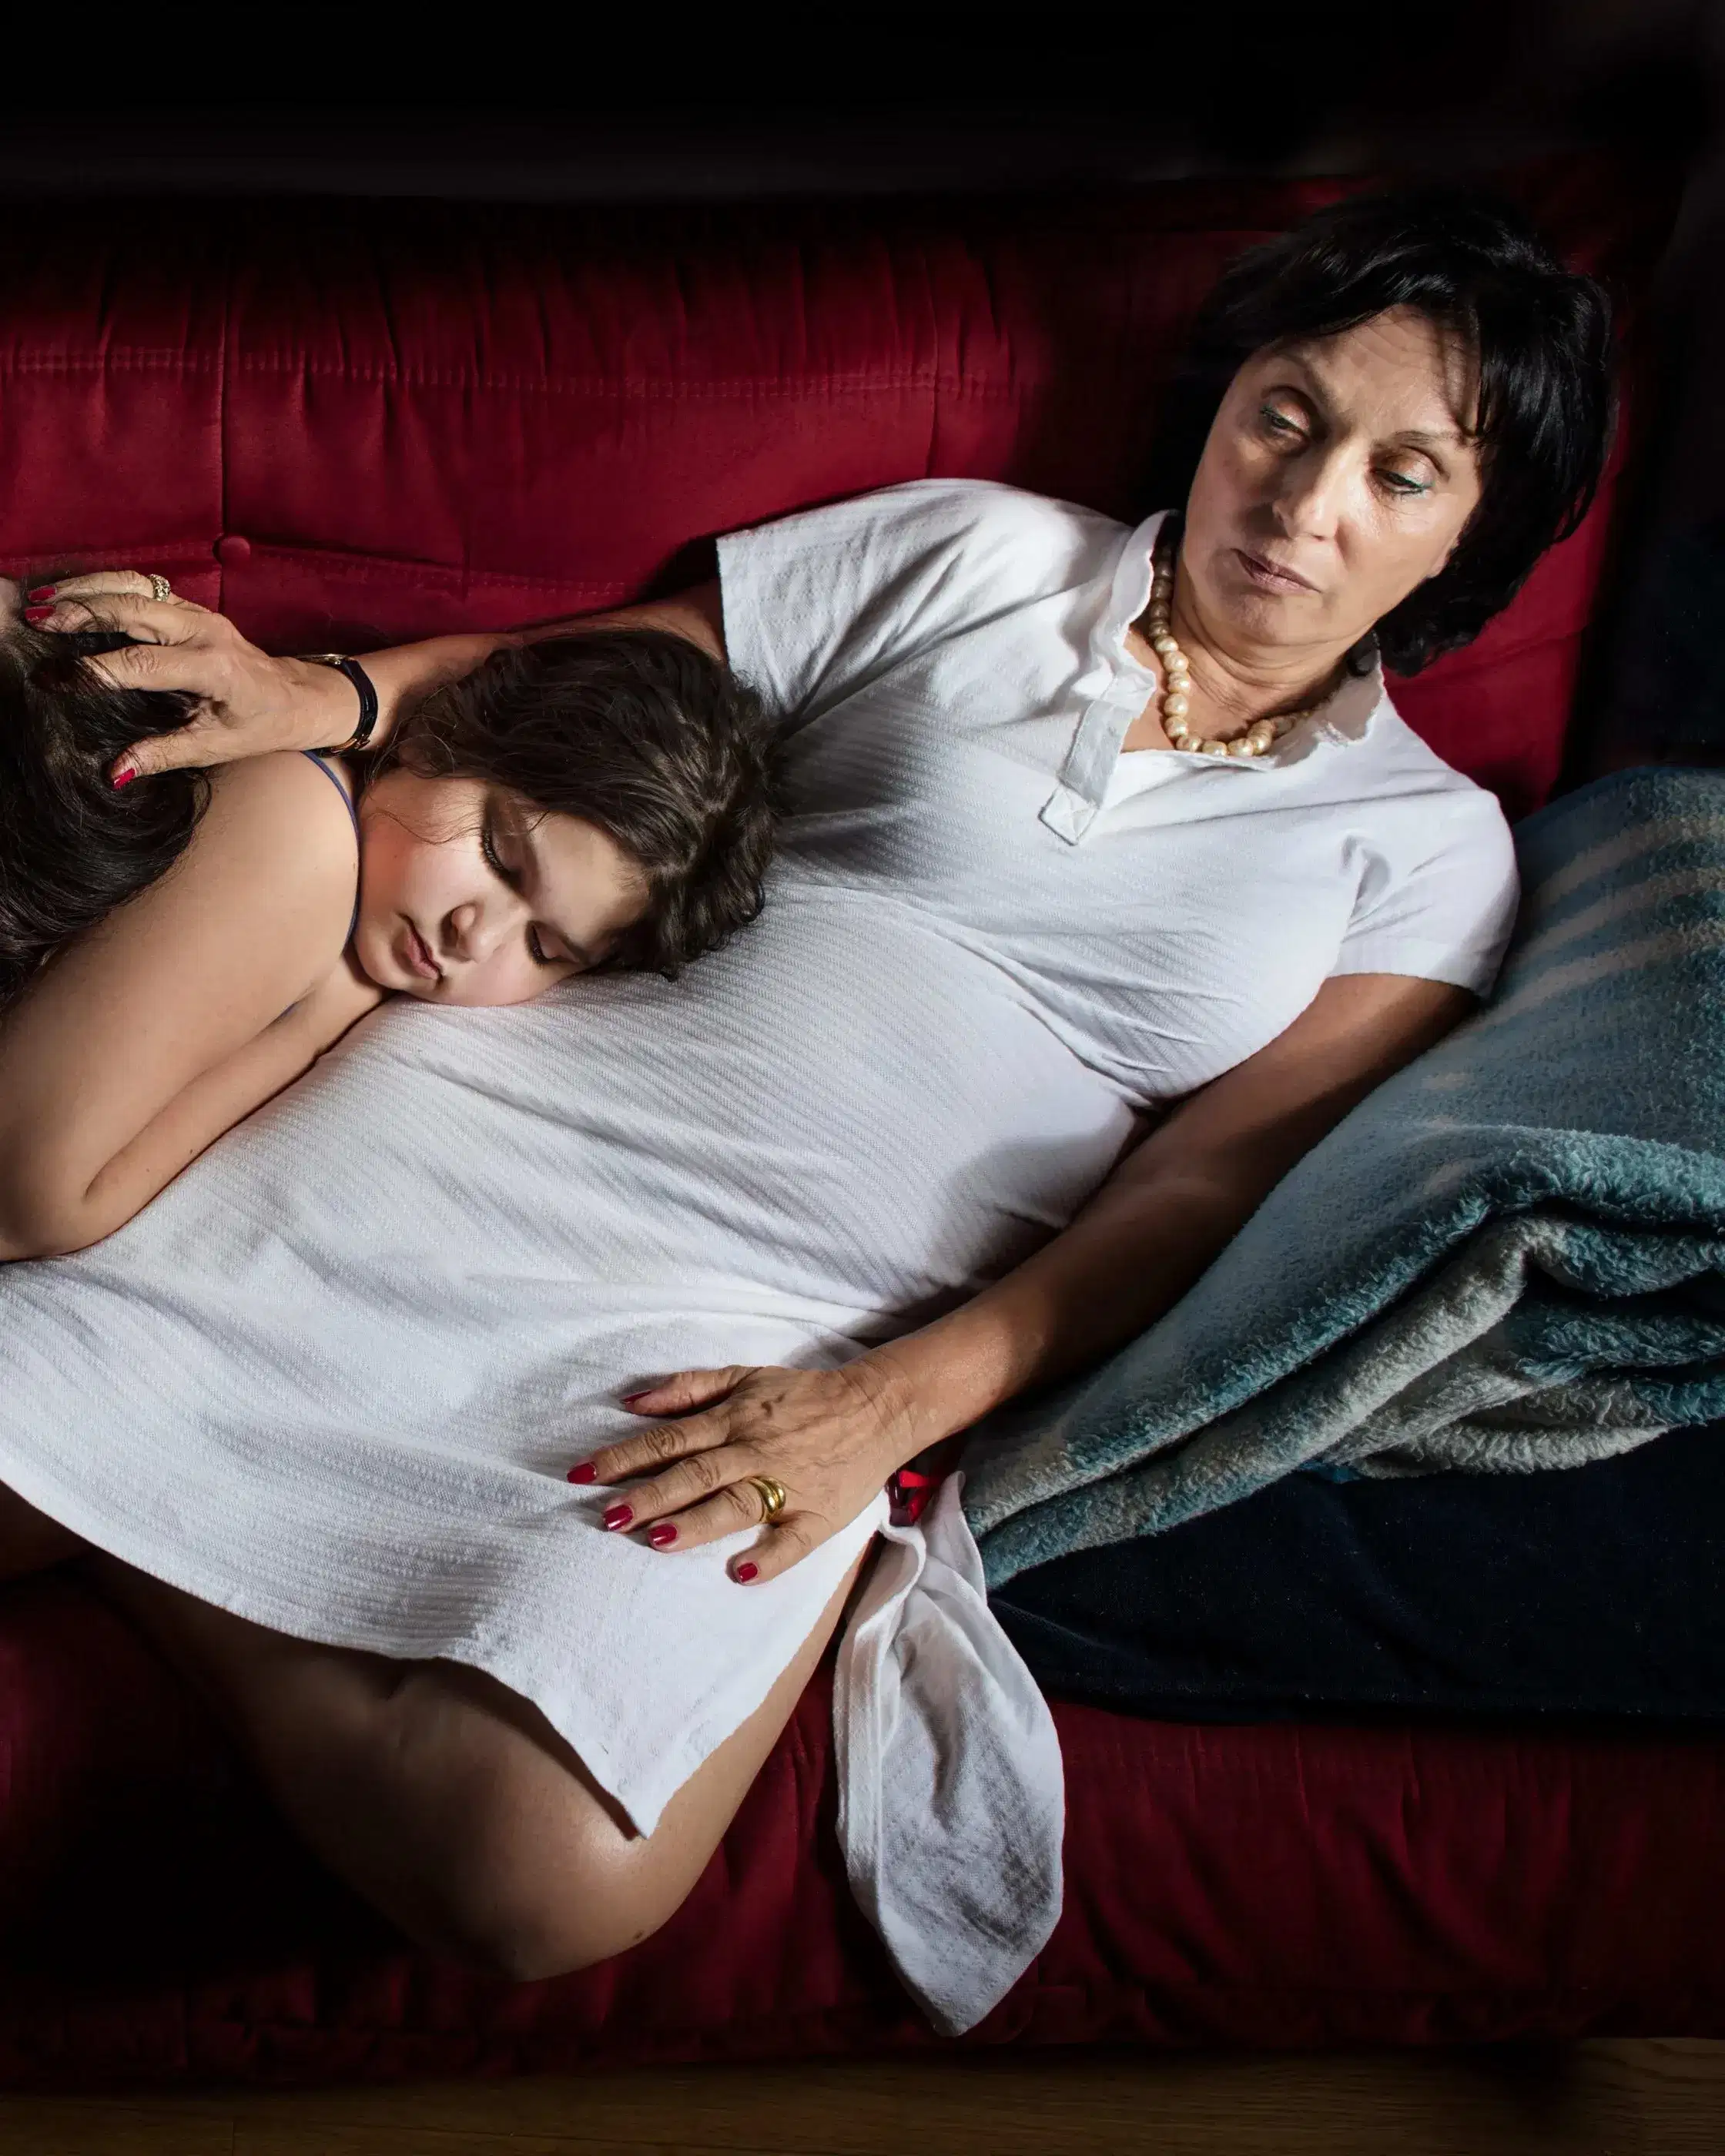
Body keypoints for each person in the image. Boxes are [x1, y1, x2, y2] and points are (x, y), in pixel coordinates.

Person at [0, 186, 1614, 2010]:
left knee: (538, 1875)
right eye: (1290, 416)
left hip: (744, 1329)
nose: (1307, 502)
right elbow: (595, 686)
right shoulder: (980, 556)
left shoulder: (1416, 850)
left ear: (1476, 540)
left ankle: (144, 1527)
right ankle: (136, 1456)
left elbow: (1198, 1196)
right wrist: (326, 693)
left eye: (1404, 475)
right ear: (1232, 398)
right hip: (451, 1133)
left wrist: (882, 1412)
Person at [0, 600, 774, 1256]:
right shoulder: (305, 832)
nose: (475, 937)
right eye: (501, 856)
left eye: (545, 949)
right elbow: (33, 1199)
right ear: (441, 735)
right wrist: (324, 1015)